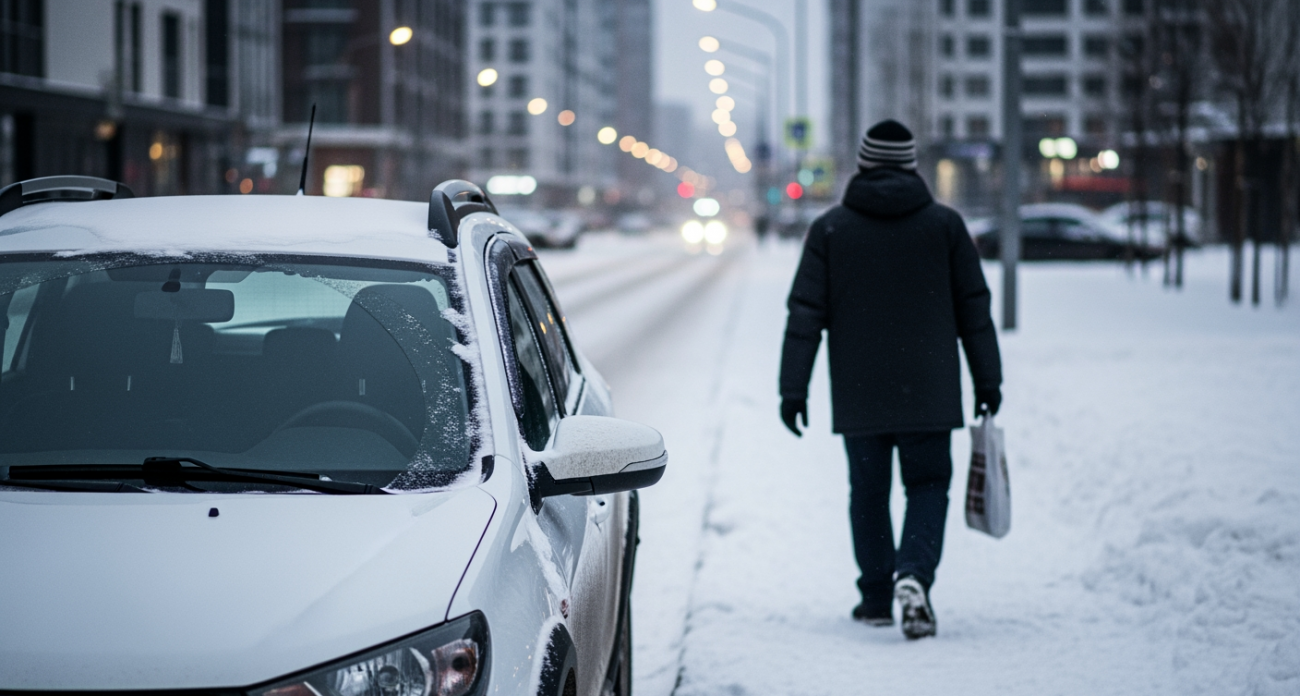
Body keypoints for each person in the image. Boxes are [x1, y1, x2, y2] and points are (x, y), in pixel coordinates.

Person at [778, 119, 1002, 640]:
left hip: (860, 391)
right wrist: (987, 379)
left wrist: (794, 388)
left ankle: (877, 596)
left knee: (869, 491)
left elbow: (804, 314)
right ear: (911, 164)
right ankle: (915, 576)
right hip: (930, 387)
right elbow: (975, 310)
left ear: (861, 164)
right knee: (928, 484)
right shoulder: (945, 226)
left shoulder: (831, 228)